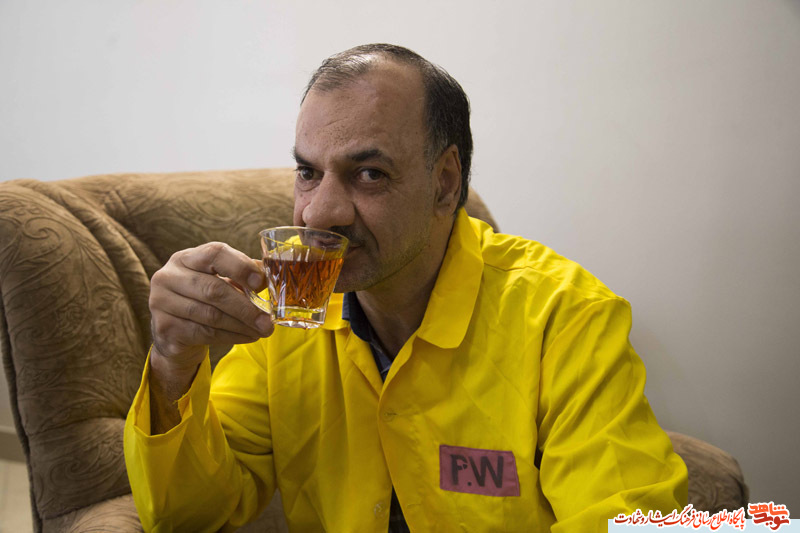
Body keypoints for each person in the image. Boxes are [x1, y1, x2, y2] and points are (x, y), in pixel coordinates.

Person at [124, 43, 687, 532]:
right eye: (308, 173)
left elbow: (625, 514)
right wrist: (174, 363)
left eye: (369, 174)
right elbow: (190, 517)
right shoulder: (286, 317)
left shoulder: (564, 317)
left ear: (444, 183)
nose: (319, 213)